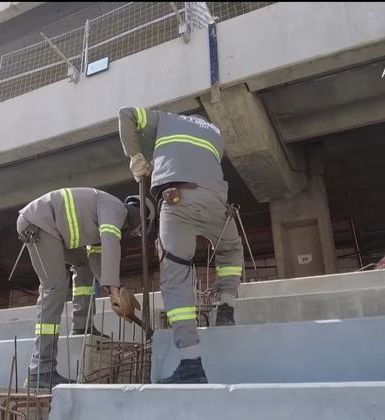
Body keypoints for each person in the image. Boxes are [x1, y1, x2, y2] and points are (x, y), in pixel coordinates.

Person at [117, 107, 244, 384]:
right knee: (231, 250)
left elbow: (125, 113)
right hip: (216, 203)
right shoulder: (215, 133)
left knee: (176, 276)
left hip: (177, 202)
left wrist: (136, 156)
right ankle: (226, 307)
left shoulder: (165, 119)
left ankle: (191, 364)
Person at [16, 187, 153, 389]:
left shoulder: (106, 215)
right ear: (141, 218)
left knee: (84, 265)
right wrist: (114, 289)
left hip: (51, 229)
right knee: (54, 288)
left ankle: (82, 325)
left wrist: (117, 289)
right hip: (40, 224)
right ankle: (41, 370)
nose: (135, 233)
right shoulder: (115, 208)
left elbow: (97, 261)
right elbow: (111, 244)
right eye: (140, 229)